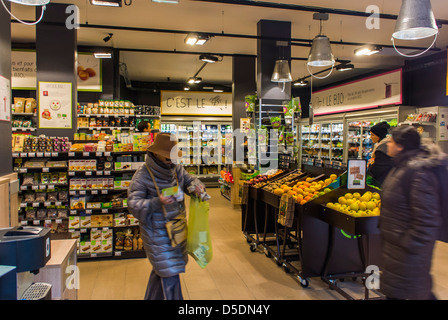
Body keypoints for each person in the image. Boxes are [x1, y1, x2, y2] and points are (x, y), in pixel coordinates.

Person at [127, 133, 206, 300]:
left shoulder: (175, 169)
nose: (171, 160)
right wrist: (157, 201)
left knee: (162, 271)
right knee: (169, 273)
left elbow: (189, 180)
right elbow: (133, 204)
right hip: (157, 233)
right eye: (167, 157)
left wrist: (197, 187)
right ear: (155, 153)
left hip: (176, 230)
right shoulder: (143, 175)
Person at [379, 125, 448, 300]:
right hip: (397, 250)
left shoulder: (418, 173)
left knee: (413, 292)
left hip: (408, 253)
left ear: (400, 145)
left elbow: (428, 219)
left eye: (391, 141)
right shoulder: (402, 166)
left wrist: (409, 243)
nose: (388, 145)